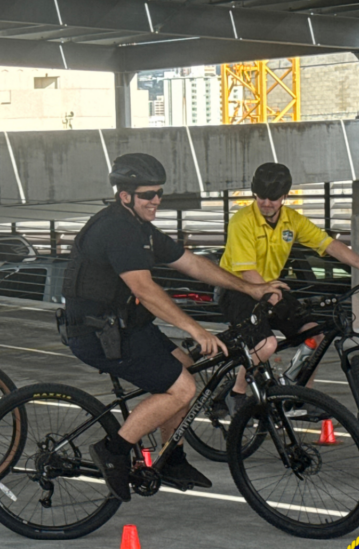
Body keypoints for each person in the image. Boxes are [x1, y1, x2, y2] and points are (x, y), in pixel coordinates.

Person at [61, 153, 286, 503]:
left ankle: (171, 457)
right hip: (97, 334)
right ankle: (113, 449)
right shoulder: (116, 228)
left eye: (159, 193)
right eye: (148, 195)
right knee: (181, 389)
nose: (156, 201)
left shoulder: (139, 228)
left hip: (125, 327)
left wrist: (250, 288)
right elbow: (144, 289)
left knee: (186, 371)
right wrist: (197, 330)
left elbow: (191, 263)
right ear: (125, 197)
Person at [217, 162, 359, 413]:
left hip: (271, 287)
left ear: (285, 196)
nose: (266, 203)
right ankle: (236, 393)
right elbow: (247, 272)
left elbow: (329, 244)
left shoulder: (292, 220)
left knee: (314, 335)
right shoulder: (242, 221)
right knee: (267, 345)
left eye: (273, 198)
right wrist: (270, 293)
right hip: (238, 290)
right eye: (261, 197)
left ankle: (298, 396)